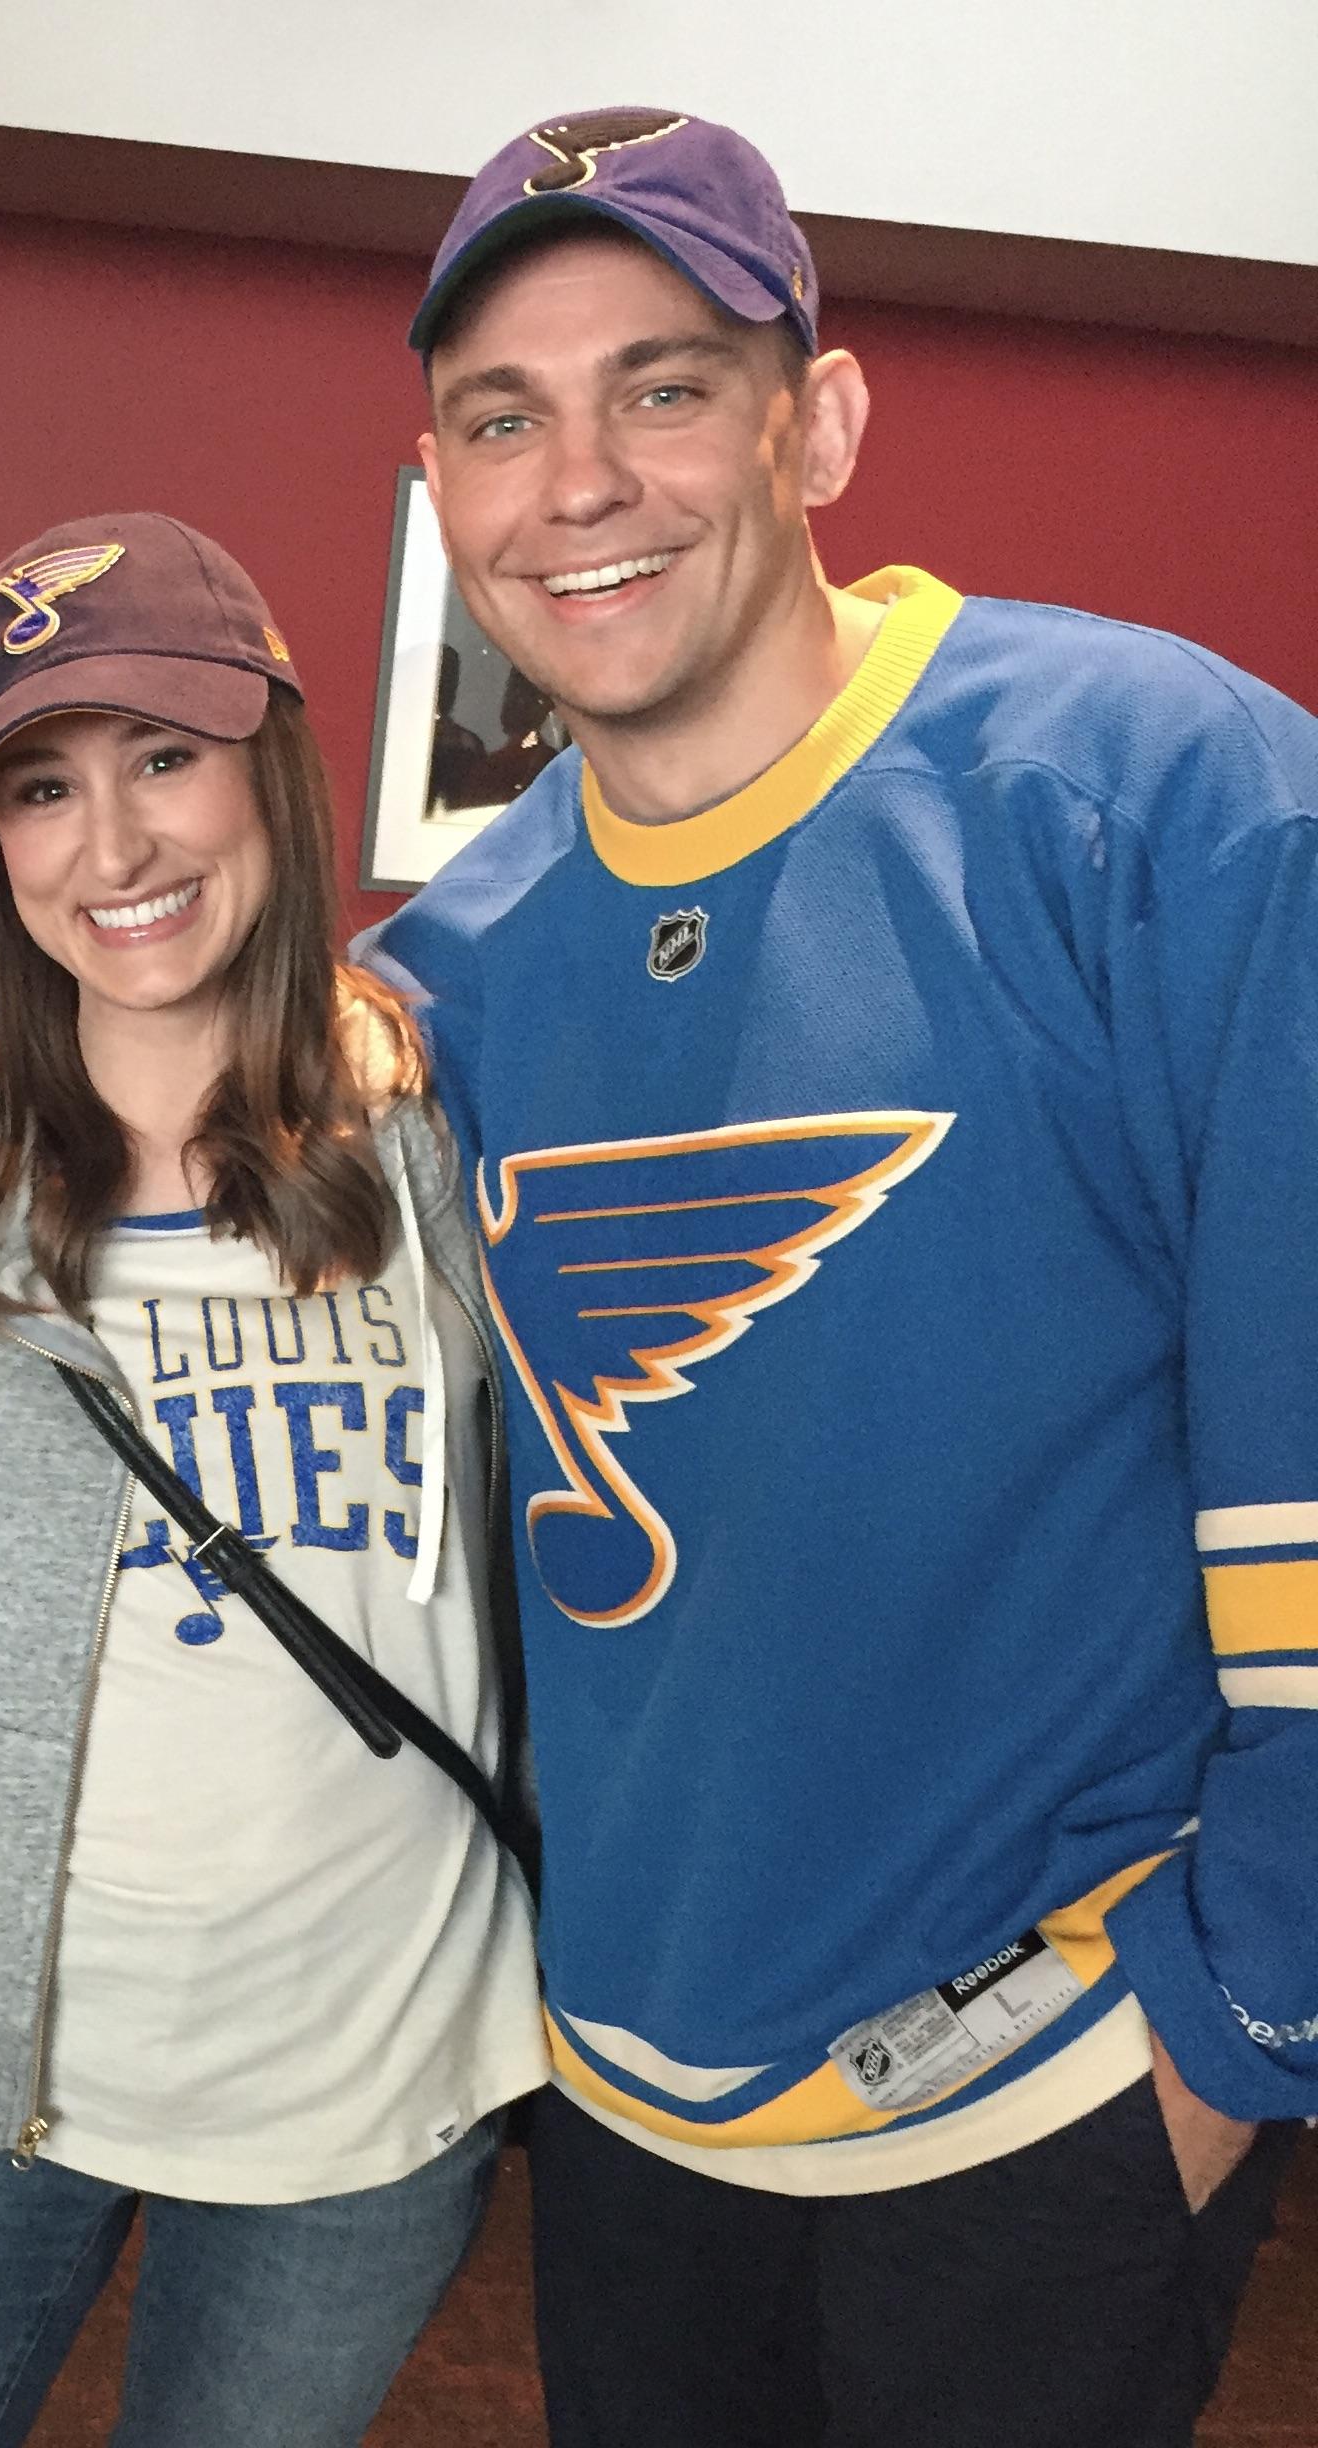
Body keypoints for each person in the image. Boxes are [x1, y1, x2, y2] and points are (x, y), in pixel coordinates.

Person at [364, 105, 1314, 2447]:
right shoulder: (447, 978)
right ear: (443, 482)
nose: (579, 478)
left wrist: (1242, 2027)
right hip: (636, 2095)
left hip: (1052, 2090)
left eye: (665, 386)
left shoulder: (1160, 788)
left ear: (825, 422)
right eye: (506, 417)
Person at [0, 513, 546, 2446]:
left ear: (269, 767)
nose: (112, 849)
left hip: (365, 2089)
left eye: (166, 761)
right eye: (44, 788)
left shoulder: (443, 1141)